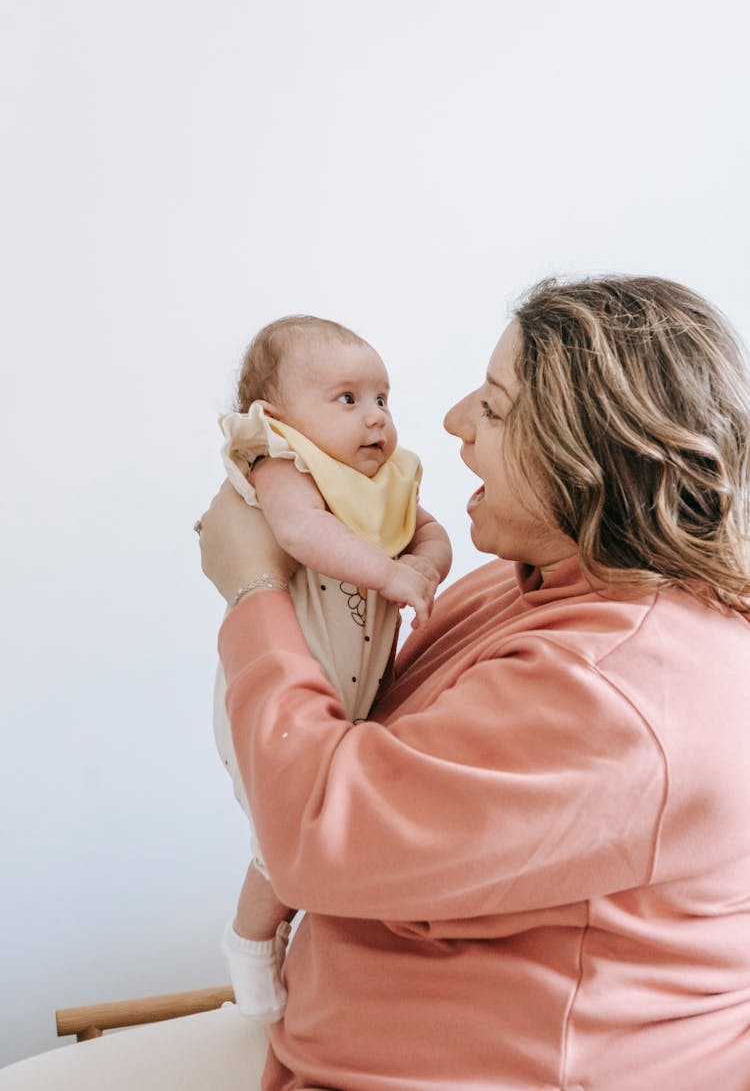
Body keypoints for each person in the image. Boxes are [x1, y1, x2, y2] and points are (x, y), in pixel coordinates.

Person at [197, 276, 750, 1089]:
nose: (452, 421)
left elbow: (316, 828)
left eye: (492, 408)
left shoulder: (612, 689)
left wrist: (254, 592)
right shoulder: (529, 583)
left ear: (584, 458)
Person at [212, 315, 452, 1023]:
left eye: (382, 397)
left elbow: (432, 534)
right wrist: (387, 571)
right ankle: (251, 939)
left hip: (350, 702)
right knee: (280, 838)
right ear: (276, 418)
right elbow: (299, 532)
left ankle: (305, 938)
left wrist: (421, 568)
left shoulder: (381, 486)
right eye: (346, 399)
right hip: (272, 695)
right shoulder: (278, 465)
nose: (375, 416)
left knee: (325, 833)